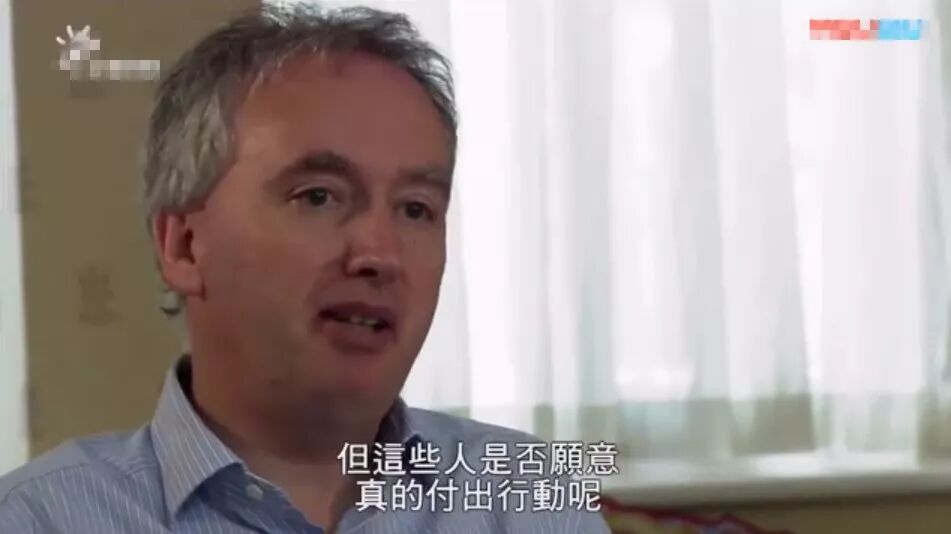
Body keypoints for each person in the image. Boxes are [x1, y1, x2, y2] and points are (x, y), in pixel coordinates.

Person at [0, 4, 613, 533]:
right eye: (318, 196)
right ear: (184, 246)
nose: (379, 254)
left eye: (416, 209)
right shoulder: (41, 517)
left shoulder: (528, 500)